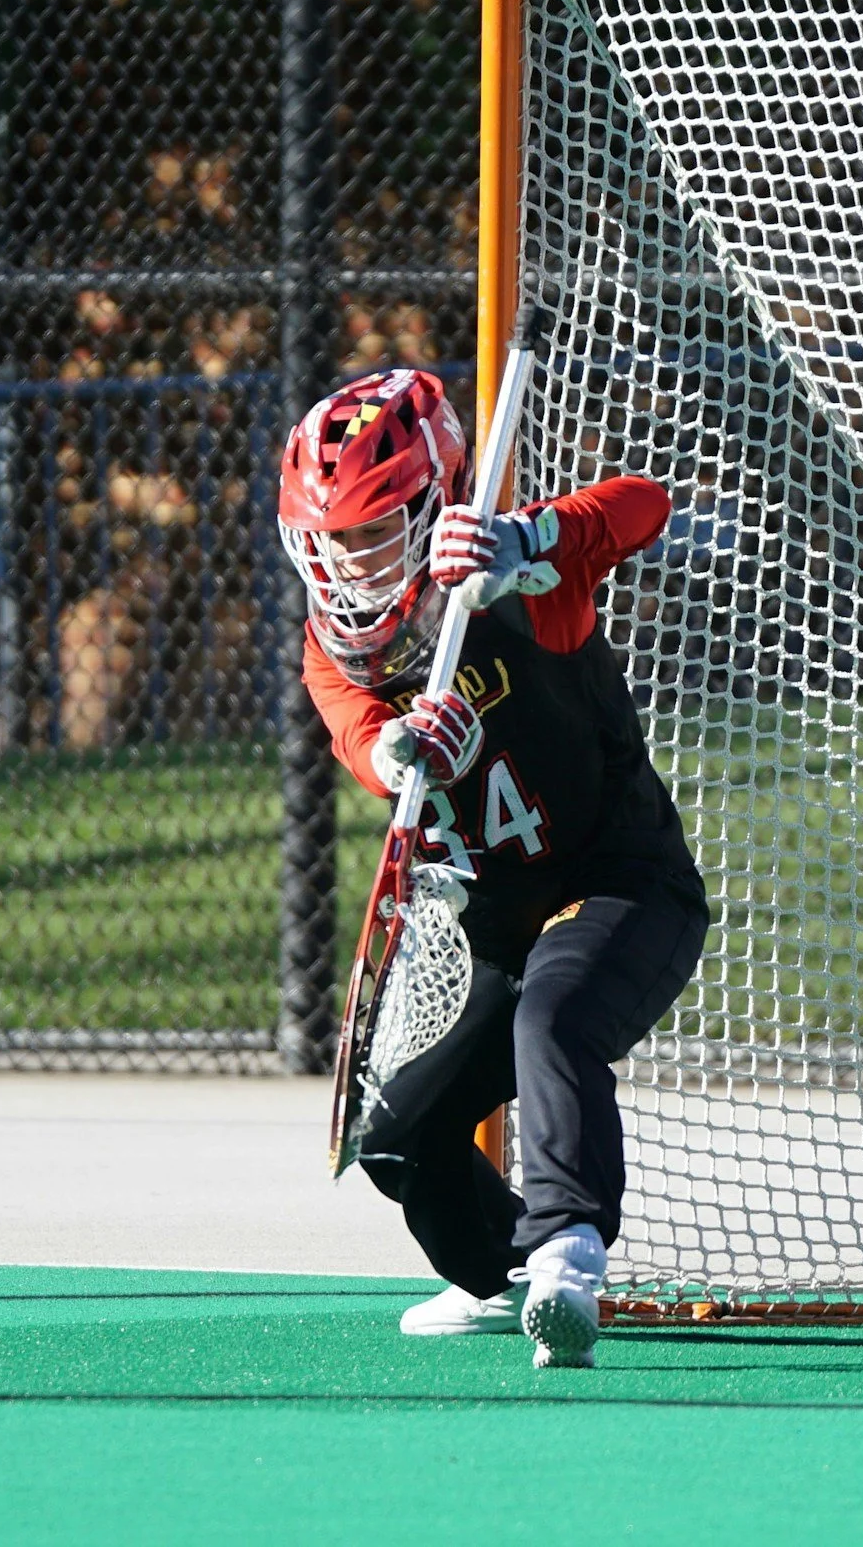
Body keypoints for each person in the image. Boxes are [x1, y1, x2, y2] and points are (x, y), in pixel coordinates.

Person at [277, 368, 708, 1367]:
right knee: (392, 1139)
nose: (352, 560)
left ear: (432, 505)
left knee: (550, 1020)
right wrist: (402, 752)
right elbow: (363, 742)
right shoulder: (328, 649)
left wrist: (527, 543)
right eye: (333, 538)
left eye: (375, 531)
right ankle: (506, 1270)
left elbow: (643, 505)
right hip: (481, 913)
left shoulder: (524, 575)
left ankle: (569, 1253)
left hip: (615, 884)